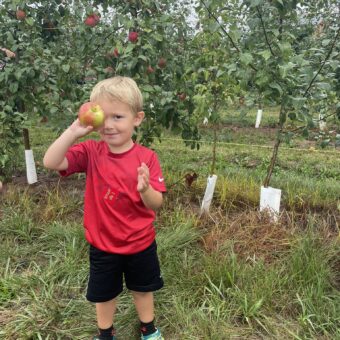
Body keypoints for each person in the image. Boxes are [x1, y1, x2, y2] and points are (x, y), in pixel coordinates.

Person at [43, 76, 166, 340]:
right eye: (102, 116)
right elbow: (51, 162)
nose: (108, 125)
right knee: (104, 292)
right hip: (103, 244)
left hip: (140, 242)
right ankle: (105, 333)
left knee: (143, 289)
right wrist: (73, 132)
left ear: (137, 118)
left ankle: (148, 327)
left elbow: (157, 204)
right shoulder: (91, 151)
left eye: (118, 117)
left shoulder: (147, 158)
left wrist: (145, 190)